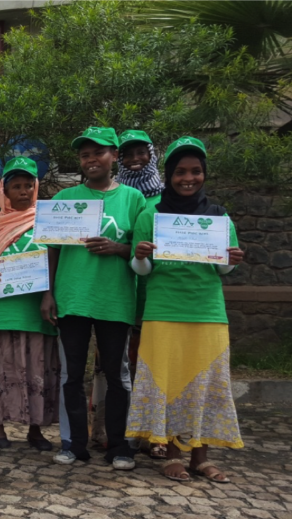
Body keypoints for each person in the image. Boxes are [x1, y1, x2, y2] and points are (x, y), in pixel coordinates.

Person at [127, 136, 244, 483]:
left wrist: (231, 259)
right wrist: (141, 256)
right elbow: (141, 271)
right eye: (180, 172)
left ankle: (201, 458)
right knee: (169, 382)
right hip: (163, 310)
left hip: (207, 312)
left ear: (204, 174)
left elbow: (223, 270)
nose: (187, 178)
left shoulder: (219, 217)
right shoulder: (153, 214)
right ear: (169, 175)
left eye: (195, 171)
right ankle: (172, 454)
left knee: (206, 384)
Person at [42, 127, 146, 469]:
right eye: (84, 155)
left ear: (114, 156)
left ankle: (119, 446)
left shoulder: (133, 200)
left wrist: (119, 249)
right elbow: (51, 250)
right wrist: (48, 293)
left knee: (117, 375)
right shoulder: (63, 200)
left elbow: (144, 250)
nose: (91, 160)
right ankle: (73, 444)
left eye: (98, 153)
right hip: (72, 298)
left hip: (115, 300)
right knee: (71, 375)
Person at [0, 157, 59, 450]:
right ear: (5, 191)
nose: (23, 192)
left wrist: (50, 294)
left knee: (37, 369)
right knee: (1, 368)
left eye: (28, 185)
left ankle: (35, 429)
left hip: (36, 309)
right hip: (3, 309)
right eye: (16, 186)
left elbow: (57, 261)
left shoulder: (49, 221)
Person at [117, 129, 168, 459]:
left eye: (141, 153)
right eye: (128, 155)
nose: (136, 160)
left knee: (154, 366)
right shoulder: (116, 196)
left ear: (152, 155)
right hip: (120, 292)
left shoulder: (166, 198)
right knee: (120, 366)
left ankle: (156, 432)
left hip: (158, 294)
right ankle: (116, 431)